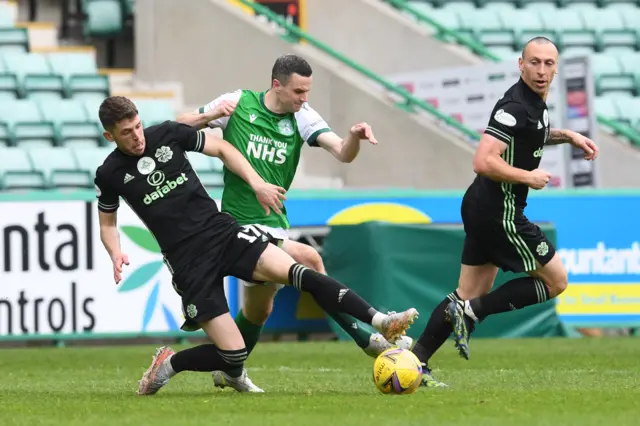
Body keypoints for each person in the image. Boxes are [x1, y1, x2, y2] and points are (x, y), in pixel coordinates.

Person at [93, 96, 419, 395]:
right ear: (110, 136)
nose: (138, 137)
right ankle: (169, 365)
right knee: (233, 354)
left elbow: (221, 149)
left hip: (222, 233)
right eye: (127, 132)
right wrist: (115, 252)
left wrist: (257, 183)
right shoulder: (109, 174)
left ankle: (379, 320)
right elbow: (107, 222)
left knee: (298, 270)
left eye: (137, 126)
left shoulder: (164, 134)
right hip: (188, 260)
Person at [176, 52, 412, 382]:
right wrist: (213, 114)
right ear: (277, 85)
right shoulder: (238, 103)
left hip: (274, 223)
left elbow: (342, 153)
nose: (304, 98)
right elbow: (178, 125)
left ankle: (229, 371)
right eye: (299, 92)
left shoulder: (302, 117)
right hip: (239, 225)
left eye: (308, 92)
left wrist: (355, 138)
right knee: (310, 259)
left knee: (260, 310)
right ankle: (369, 336)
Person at [410, 37, 599, 388]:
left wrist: (568, 135)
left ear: (556, 67)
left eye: (548, 64)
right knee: (556, 281)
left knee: (466, 291)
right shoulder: (514, 105)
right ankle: (471, 314)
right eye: (535, 63)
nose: (542, 71)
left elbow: (530, 135)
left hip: (482, 206)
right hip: (501, 212)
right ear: (520, 64)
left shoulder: (534, 105)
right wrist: (527, 176)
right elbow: (483, 160)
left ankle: (414, 361)